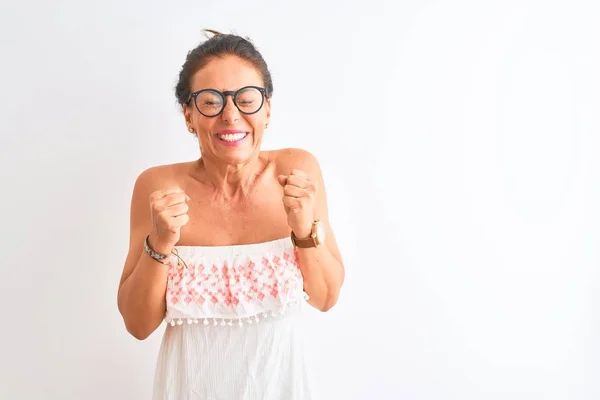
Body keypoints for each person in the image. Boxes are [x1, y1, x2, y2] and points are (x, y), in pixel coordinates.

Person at [116, 30, 345, 399]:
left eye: (246, 99)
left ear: (267, 109)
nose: (231, 115)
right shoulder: (157, 186)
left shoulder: (298, 169)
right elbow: (138, 324)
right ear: (189, 114)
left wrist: (304, 228)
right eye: (210, 101)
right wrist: (158, 243)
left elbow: (326, 297)